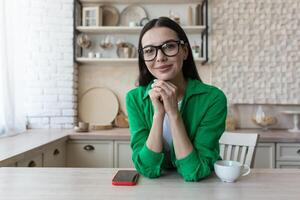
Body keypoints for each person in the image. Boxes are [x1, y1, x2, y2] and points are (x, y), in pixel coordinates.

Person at [126, 17, 227, 182]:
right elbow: (147, 168)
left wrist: (173, 113)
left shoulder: (213, 99)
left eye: (169, 46)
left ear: (185, 51)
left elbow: (194, 171)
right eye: (150, 50)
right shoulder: (134, 99)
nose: (160, 57)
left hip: (204, 190)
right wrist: (158, 115)